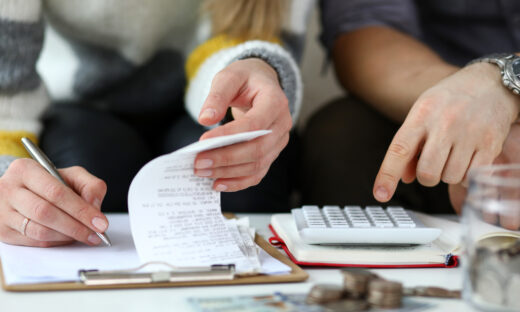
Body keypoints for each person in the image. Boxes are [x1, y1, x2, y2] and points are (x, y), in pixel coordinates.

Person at [0, 0, 314, 247]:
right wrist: (6, 175)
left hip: (211, 93)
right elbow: (7, 81)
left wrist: (256, 70)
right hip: (81, 105)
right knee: (85, 172)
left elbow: (249, 33)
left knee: (238, 179)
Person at [302, 0, 520, 218]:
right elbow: (366, 31)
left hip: (490, 111)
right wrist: (470, 105)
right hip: (430, 84)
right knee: (344, 134)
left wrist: (506, 95)